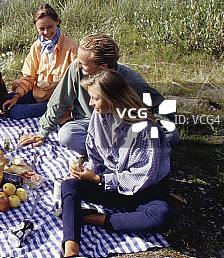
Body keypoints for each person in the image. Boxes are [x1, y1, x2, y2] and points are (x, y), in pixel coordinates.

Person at [58, 70, 171, 258]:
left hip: (145, 190)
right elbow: (94, 155)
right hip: (112, 183)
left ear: (113, 98)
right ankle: (71, 251)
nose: (91, 103)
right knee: (69, 185)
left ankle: (91, 218)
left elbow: (141, 178)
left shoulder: (145, 128)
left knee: (161, 217)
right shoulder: (99, 115)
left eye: (95, 98)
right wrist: (86, 172)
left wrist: (98, 178)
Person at [19, 33, 178, 153]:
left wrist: (142, 127)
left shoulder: (131, 81)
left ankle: (121, 154)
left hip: (124, 128)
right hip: (90, 124)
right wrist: (42, 132)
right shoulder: (76, 68)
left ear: (103, 66)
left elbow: (163, 109)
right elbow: (59, 101)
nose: (78, 65)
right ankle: (113, 155)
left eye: (84, 64)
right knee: (67, 135)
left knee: (171, 135)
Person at [2, 4, 78, 119]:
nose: (46, 32)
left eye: (50, 27)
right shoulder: (37, 47)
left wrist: (60, 86)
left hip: (59, 101)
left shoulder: (72, 48)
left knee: (15, 112)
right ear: (36, 28)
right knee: (3, 100)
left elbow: (79, 81)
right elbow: (29, 77)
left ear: (57, 22)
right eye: (42, 29)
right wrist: (16, 97)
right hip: (38, 94)